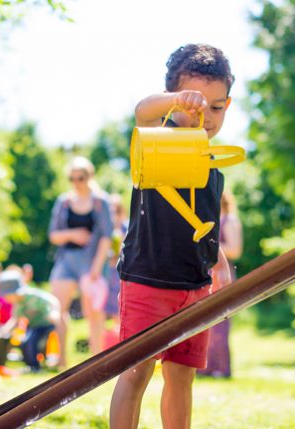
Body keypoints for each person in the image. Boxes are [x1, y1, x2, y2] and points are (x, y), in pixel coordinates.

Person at [110, 43, 234, 429]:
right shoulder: (156, 139)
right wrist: (174, 101)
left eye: (216, 107)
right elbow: (141, 111)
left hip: (194, 286)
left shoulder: (212, 166)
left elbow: (205, 225)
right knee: (135, 372)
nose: (206, 116)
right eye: (196, 104)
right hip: (148, 280)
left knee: (181, 377)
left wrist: (221, 265)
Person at [48, 156, 113, 368]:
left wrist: (96, 267)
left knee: (93, 313)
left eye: (81, 177)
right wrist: (72, 233)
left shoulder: (100, 202)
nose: (76, 182)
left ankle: (98, 362)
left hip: (91, 262)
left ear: (90, 177)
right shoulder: (63, 202)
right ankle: (61, 360)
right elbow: (54, 235)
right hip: (67, 261)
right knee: (58, 309)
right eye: (72, 178)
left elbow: (106, 236)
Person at [198, 191, 242, 378]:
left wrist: (210, 243)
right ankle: (204, 366)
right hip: (207, 274)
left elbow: (235, 250)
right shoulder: (210, 220)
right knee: (204, 322)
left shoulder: (229, 220)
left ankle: (220, 368)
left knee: (220, 323)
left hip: (222, 274)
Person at [0, 269, 61, 372]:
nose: (6, 299)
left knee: (32, 340)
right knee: (24, 341)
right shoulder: (18, 303)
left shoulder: (32, 296)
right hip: (34, 326)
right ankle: (30, 365)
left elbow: (51, 301)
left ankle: (35, 367)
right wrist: (4, 330)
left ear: (15, 291)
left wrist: (53, 313)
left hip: (45, 324)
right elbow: (15, 319)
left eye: (7, 296)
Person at [104, 194, 128, 325]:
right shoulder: (106, 229)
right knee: (112, 307)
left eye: (116, 211)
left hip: (122, 271)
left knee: (121, 304)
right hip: (110, 272)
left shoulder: (127, 227)